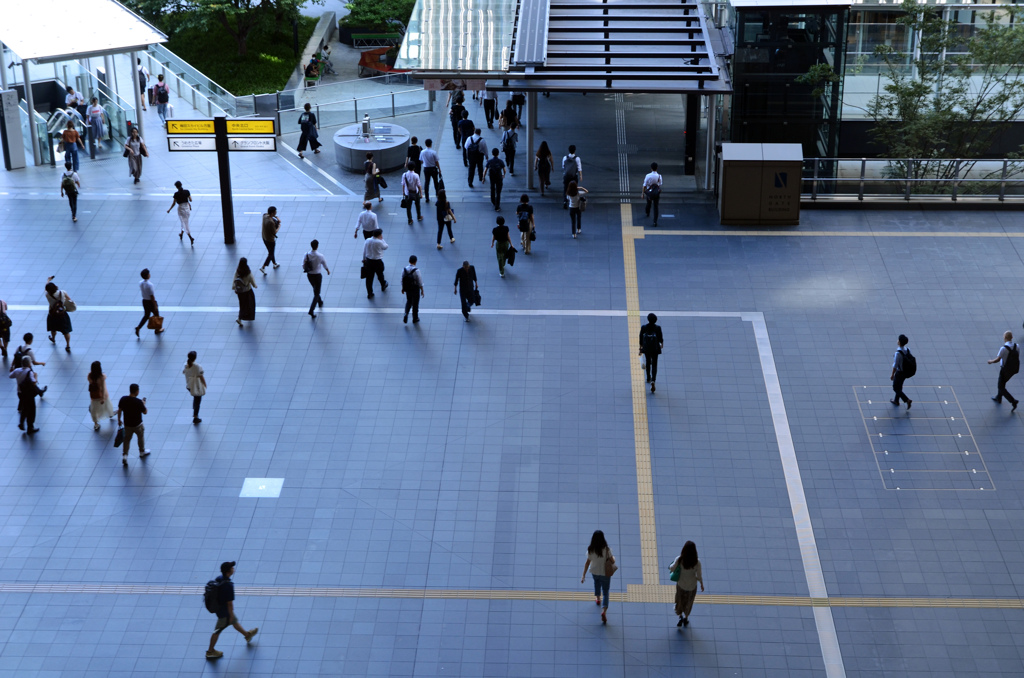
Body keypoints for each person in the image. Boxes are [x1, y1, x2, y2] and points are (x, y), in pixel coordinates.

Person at [206, 562, 258, 659]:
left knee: (235, 622)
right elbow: (230, 604)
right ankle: (210, 651)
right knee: (217, 630)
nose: (233, 568)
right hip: (224, 613)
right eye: (232, 567)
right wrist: (230, 615)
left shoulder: (219, 578)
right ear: (228, 571)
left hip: (220, 609)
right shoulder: (229, 585)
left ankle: (247, 635)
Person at [580, 530, 615, 625]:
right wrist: (613, 558)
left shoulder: (591, 549)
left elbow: (587, 563)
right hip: (605, 573)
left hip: (594, 572)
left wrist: (583, 575)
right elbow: (612, 561)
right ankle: (604, 611)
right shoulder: (607, 550)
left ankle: (598, 599)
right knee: (606, 592)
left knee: (597, 584)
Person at [668, 541, 704, 627]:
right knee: (689, 602)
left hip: (681, 585)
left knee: (680, 600)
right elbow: (699, 576)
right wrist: (701, 584)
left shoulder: (680, 559)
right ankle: (686, 617)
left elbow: (672, 568)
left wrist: (669, 566)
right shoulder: (697, 562)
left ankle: (679, 616)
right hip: (691, 586)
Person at [116, 383, 149, 466]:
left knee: (127, 440)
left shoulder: (123, 399)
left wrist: (119, 420)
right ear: (137, 392)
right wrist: (143, 404)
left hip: (127, 425)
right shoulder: (138, 402)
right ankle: (141, 451)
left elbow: (119, 410)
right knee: (140, 437)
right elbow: (145, 412)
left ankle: (125, 455)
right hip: (138, 425)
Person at [989, 330, 1020, 411]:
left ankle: (1013, 401)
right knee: (1002, 382)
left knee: (1000, 386)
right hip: (1013, 369)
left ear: (1005, 338)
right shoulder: (1017, 346)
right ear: (1012, 337)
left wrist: (990, 361)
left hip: (1004, 369)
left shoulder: (1003, 348)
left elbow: (997, 359)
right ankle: (998, 397)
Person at [9, 356, 41, 434]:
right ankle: (30, 427)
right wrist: (35, 376)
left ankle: (21, 423)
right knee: (31, 410)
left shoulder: (17, 370)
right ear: (29, 363)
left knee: (25, 407)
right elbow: (33, 383)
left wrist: (12, 369)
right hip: (28, 394)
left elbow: (10, 376)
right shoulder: (29, 372)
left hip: (20, 393)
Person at [44, 278, 73, 352]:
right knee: (65, 331)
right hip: (62, 314)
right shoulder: (62, 292)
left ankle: (53, 338)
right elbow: (70, 300)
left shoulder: (47, 295)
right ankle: (68, 345)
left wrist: (48, 280)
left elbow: (46, 288)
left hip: (52, 314)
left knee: (53, 328)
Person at [303, 240, 330, 319]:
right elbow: (324, 263)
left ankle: (320, 301)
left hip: (309, 275)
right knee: (316, 293)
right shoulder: (320, 256)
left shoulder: (306, 254)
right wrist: (327, 270)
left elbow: (303, 265)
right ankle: (311, 310)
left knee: (315, 289)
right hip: (317, 275)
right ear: (317, 246)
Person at [135, 269, 164, 338]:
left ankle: (139, 327)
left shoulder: (140, 283)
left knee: (146, 315)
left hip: (144, 301)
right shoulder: (149, 285)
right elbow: (152, 296)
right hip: (150, 302)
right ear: (148, 275)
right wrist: (155, 305)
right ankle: (157, 329)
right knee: (156, 315)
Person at [639, 313, 664, 393]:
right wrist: (661, 344)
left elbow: (641, 339)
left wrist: (641, 347)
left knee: (648, 361)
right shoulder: (658, 328)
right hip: (655, 348)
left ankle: (648, 378)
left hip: (646, 348)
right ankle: (653, 380)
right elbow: (660, 339)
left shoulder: (644, 327)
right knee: (654, 364)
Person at [87, 361, 114, 431]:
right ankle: (110, 414)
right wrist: (103, 398)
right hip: (103, 395)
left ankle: (96, 423)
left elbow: (91, 383)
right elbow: (103, 388)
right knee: (107, 406)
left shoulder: (90, 376)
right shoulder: (101, 377)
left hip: (94, 396)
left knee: (94, 410)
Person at [362, 230, 389, 298]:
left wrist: (364, 259)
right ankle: (383, 285)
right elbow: (385, 247)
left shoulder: (367, 240)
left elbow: (364, 250)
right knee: (380, 274)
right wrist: (382, 239)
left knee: (369, 278)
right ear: (379, 235)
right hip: (377, 261)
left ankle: (370, 293)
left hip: (368, 261)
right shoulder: (379, 242)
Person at [890, 334, 913, 409]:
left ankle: (907, 400)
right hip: (906, 371)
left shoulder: (898, 353)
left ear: (899, 342)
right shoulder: (908, 350)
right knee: (899, 385)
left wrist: (892, 374)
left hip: (900, 372)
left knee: (895, 388)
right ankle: (896, 400)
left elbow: (895, 365)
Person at [167, 181, 194, 245]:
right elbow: (190, 200)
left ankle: (190, 237)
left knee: (184, 223)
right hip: (187, 209)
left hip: (181, 210)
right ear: (181, 184)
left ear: (176, 187)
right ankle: (181, 233)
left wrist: (169, 209)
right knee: (184, 221)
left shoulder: (176, 194)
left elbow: (174, 203)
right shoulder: (187, 191)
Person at [183, 351, 206, 424]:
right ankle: (195, 416)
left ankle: (194, 410)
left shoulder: (186, 365)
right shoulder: (197, 366)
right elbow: (201, 376)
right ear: (195, 358)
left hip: (189, 385)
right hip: (196, 386)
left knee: (195, 398)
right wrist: (205, 384)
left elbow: (184, 372)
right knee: (197, 400)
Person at [233, 258, 257, 327]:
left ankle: (240, 318)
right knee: (250, 303)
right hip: (247, 290)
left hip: (240, 292)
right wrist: (254, 285)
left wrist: (235, 288)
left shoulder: (238, 271)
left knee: (242, 304)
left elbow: (234, 280)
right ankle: (247, 316)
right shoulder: (247, 271)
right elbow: (251, 279)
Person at [401, 255, 424, 324]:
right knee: (415, 303)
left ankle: (406, 313)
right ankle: (415, 318)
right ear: (415, 261)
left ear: (409, 261)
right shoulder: (416, 270)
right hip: (415, 288)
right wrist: (422, 290)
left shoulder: (404, 269)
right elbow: (420, 281)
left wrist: (403, 288)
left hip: (408, 288)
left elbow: (402, 280)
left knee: (409, 301)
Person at [419, 139, 441, 203]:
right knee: (435, 182)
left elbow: (421, 160)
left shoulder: (422, 152)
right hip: (433, 169)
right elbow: (436, 162)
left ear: (425, 144)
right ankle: (437, 195)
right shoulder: (433, 152)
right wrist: (439, 170)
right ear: (431, 144)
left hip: (426, 169)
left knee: (427, 182)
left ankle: (427, 197)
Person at [260, 207, 281, 273]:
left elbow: (268, 215)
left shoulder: (264, 216)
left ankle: (274, 263)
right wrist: (279, 226)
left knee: (271, 252)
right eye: (275, 212)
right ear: (272, 213)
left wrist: (276, 217)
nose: (276, 213)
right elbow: (274, 232)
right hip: (270, 240)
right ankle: (263, 267)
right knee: (271, 254)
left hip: (264, 237)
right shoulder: (271, 222)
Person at [642, 162, 663, 227]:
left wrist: (642, 193)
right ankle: (655, 221)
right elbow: (660, 184)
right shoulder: (659, 176)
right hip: (656, 193)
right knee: (656, 206)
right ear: (657, 168)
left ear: (651, 168)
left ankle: (647, 212)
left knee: (648, 203)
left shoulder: (648, 176)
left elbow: (644, 185)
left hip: (649, 193)